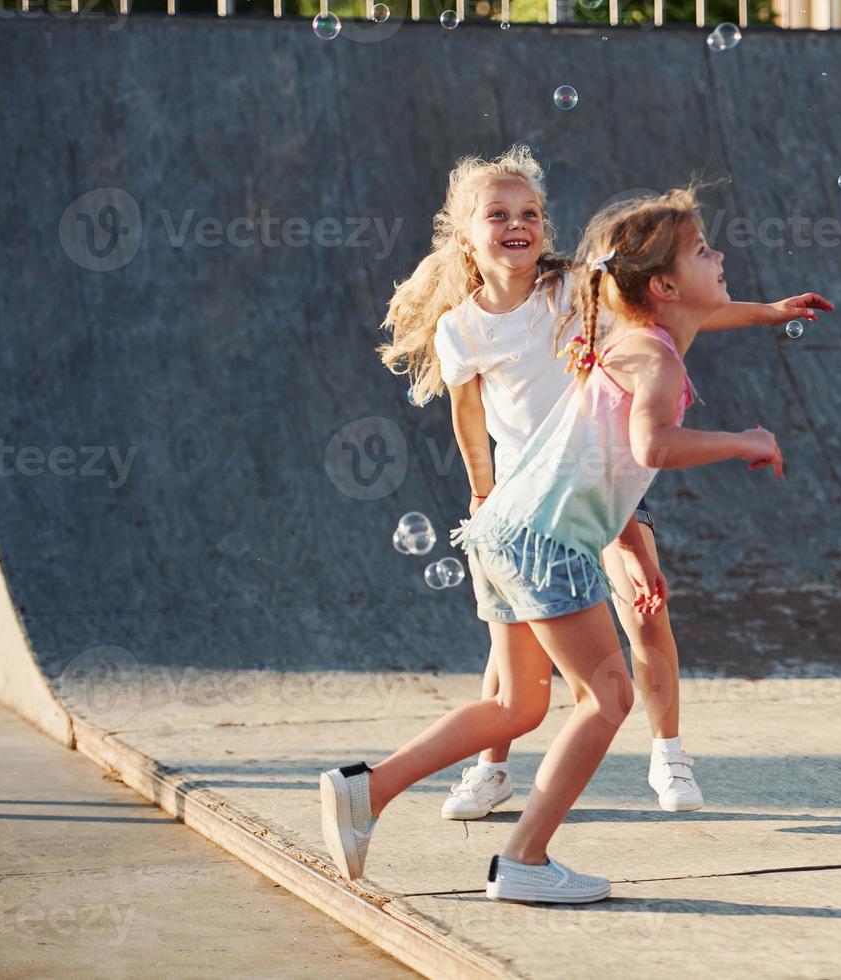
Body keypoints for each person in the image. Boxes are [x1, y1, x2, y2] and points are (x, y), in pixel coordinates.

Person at [321, 185, 787, 903]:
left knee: (516, 707)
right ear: (663, 286)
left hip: (501, 528)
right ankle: (524, 860)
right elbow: (651, 446)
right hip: (544, 542)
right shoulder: (651, 356)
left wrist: (769, 312)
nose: (720, 256)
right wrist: (742, 440)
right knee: (607, 695)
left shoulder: (622, 339)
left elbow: (597, 466)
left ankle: (367, 789)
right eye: (703, 251)